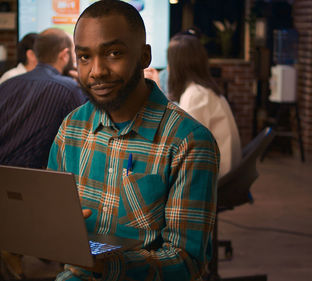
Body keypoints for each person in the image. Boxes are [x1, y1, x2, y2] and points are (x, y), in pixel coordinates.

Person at [47, 1, 219, 280]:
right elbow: (50, 218)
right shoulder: (72, 128)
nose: (97, 71)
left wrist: (109, 265)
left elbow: (187, 261)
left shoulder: (189, 141)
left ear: (144, 56)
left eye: (114, 53)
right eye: (85, 57)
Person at [0, 28, 86, 169]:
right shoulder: (68, 88)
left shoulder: (5, 85)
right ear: (64, 55)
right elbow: (83, 140)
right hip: (32, 179)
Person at [167, 33, 242, 177]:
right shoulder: (205, 90)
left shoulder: (196, 95)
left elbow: (181, 144)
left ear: (176, 65)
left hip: (215, 178)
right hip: (225, 173)